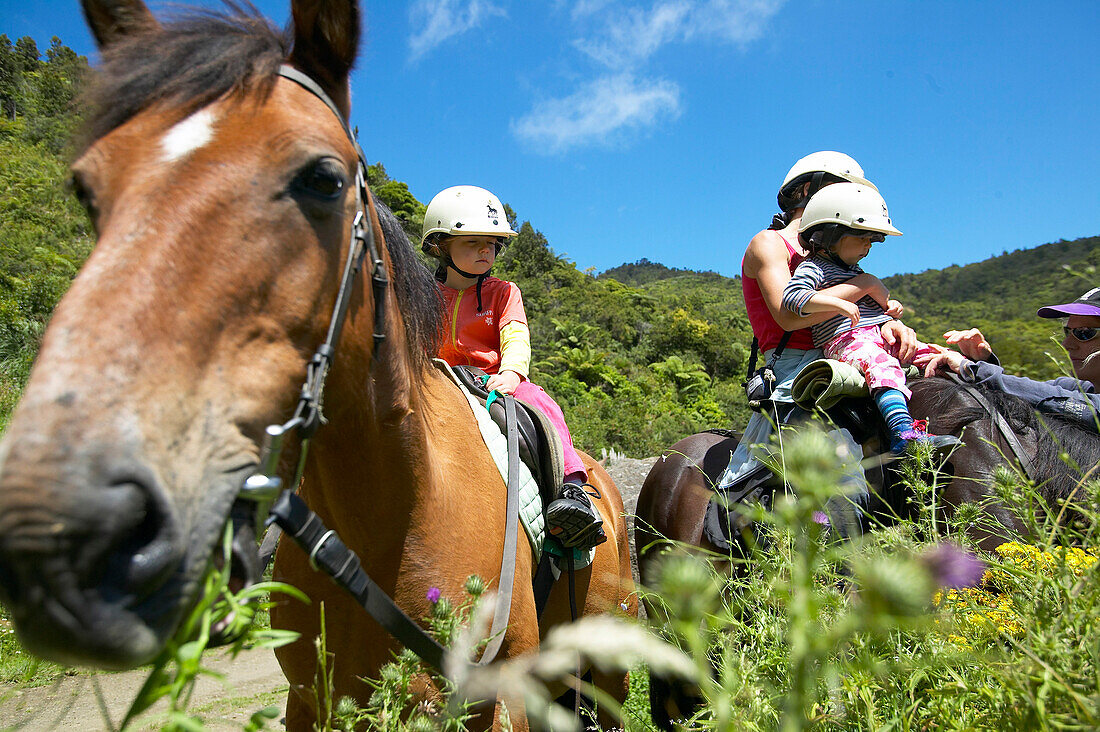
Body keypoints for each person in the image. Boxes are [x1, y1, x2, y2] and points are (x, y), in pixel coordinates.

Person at [720, 151, 921, 535]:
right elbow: (788, 313)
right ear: (809, 190)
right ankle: (837, 583)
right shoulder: (770, 243)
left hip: (852, 350)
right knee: (842, 484)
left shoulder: (845, 253)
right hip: (797, 369)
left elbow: (866, 315)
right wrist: (865, 285)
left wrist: (893, 328)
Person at [421, 185, 606, 549]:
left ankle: (572, 488)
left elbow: (516, 336)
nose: (485, 249)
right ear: (441, 245)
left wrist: (511, 373)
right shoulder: (422, 292)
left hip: (490, 380)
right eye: (472, 241)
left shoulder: (504, 292)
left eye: (491, 242)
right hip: (435, 378)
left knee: (540, 402)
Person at [781, 182, 960, 455]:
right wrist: (837, 302)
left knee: (937, 356)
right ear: (830, 235)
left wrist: (891, 308)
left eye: (871, 240)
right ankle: (903, 432)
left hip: (876, 334)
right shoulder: (813, 267)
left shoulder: (855, 270)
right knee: (882, 364)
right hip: (845, 340)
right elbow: (792, 298)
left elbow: (880, 301)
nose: (868, 246)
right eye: (862, 237)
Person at [915, 289, 1100, 431]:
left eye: (1084, 333)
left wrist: (971, 369)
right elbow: (1029, 394)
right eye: (1067, 332)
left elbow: (1058, 401)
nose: (1067, 344)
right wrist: (982, 363)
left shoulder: (1085, 400)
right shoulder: (1080, 387)